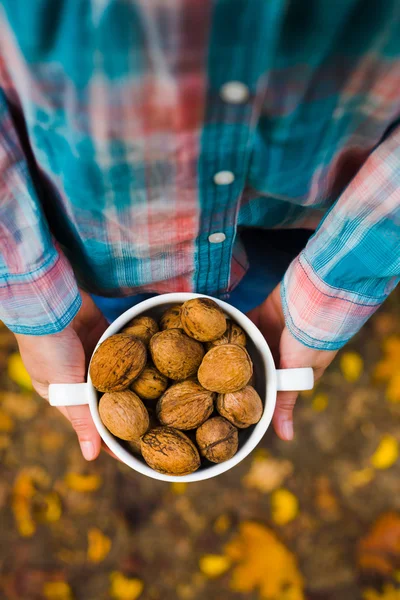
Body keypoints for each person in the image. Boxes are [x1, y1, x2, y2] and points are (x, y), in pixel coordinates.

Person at [1, 1, 399, 462]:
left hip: (301, 218)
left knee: (250, 288)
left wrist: (334, 286)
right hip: (101, 240)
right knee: (123, 309)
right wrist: (31, 296)